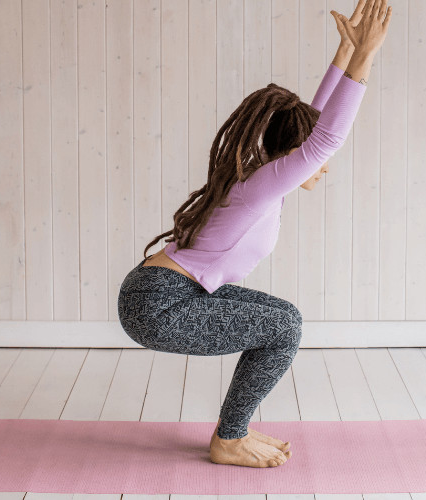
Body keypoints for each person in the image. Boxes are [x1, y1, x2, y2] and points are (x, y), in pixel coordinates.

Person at [117, 0, 392, 469]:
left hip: (162, 292)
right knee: (285, 328)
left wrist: (344, 53)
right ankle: (229, 438)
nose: (323, 168)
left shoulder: (261, 177)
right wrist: (366, 58)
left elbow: (315, 124)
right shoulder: (262, 185)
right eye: (315, 158)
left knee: (285, 317)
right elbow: (326, 137)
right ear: (299, 153)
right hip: (158, 305)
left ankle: (232, 431)